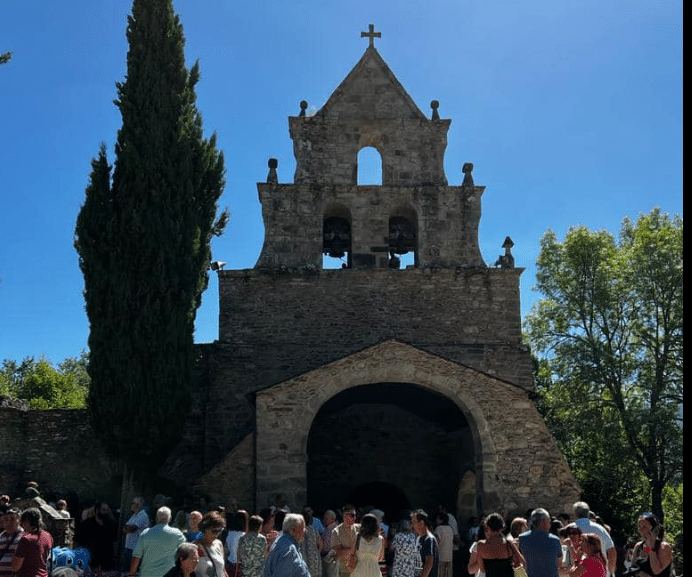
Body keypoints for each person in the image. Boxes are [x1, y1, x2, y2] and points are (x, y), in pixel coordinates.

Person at [130, 506, 185, 577]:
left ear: (156, 519)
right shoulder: (177, 534)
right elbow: (185, 552)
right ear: (170, 519)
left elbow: (136, 557)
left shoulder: (145, 533)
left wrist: (131, 574)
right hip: (169, 574)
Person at [571, 503, 615, 577]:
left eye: (582, 541)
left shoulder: (569, 529)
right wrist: (610, 572)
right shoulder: (600, 529)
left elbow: (572, 574)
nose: (580, 544)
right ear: (588, 513)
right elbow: (612, 551)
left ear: (575, 514)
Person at [476, 513, 525, 577]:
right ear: (501, 528)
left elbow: (482, 569)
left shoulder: (480, 545)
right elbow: (522, 561)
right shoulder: (508, 544)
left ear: (487, 527)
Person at [518, 508, 562, 577]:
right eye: (549, 521)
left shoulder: (522, 538)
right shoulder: (555, 540)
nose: (550, 524)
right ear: (544, 521)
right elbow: (559, 563)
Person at [11, 508, 53, 577]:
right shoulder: (48, 536)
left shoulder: (26, 539)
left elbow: (15, 567)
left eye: (23, 521)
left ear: (27, 521)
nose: (22, 524)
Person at [76, 501, 118, 571]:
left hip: (106, 560)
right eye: (104, 510)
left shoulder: (112, 525)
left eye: (107, 510)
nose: (106, 512)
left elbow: (115, 541)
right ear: (97, 510)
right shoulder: (86, 524)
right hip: (90, 559)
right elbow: (79, 541)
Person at [630, 513, 672, 577]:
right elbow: (632, 569)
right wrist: (639, 573)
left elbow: (656, 570)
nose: (641, 530)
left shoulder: (663, 547)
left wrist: (651, 547)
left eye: (644, 527)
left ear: (654, 528)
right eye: (639, 526)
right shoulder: (638, 546)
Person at [195, 510, 228, 577]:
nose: (217, 534)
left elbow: (222, 570)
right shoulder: (195, 547)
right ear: (205, 528)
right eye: (214, 531)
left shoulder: (218, 544)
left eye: (220, 530)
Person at [122, 496, 150, 573]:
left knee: (132, 572)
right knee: (125, 571)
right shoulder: (134, 515)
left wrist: (127, 528)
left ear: (138, 505)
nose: (131, 505)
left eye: (133, 503)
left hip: (136, 549)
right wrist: (127, 528)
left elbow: (131, 528)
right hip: (129, 547)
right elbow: (125, 528)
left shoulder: (143, 515)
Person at [350, 513, 384, 577]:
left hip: (359, 570)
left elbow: (352, 553)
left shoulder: (357, 537)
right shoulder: (380, 539)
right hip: (374, 571)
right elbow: (381, 558)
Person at [331, 505, 359, 576]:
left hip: (359, 569)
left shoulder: (359, 528)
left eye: (355, 515)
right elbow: (338, 553)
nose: (354, 518)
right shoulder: (336, 531)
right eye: (352, 515)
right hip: (345, 571)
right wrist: (353, 550)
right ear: (344, 516)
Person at [412, 510, 438, 577]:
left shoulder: (429, 539)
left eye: (413, 521)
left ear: (421, 522)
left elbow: (429, 563)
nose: (412, 524)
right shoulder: (419, 538)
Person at [299, 507, 322, 577]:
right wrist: (317, 553)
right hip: (314, 559)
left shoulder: (298, 530)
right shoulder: (314, 529)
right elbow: (320, 543)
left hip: (303, 559)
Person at [0, 507, 23, 577]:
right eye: (6, 519)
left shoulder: (24, 537)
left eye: (12, 519)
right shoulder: (0, 537)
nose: (9, 522)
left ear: (19, 521)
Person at [225, 510, 248, 577]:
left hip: (229, 564)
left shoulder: (230, 534)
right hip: (240, 566)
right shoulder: (244, 536)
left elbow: (226, 550)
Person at [433, 512, 453, 577]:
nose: (436, 520)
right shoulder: (450, 529)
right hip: (449, 557)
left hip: (440, 557)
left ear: (441, 520)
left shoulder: (438, 529)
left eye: (437, 518)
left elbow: (436, 542)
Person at [321, 510, 339, 577]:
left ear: (332, 519)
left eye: (326, 518)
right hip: (325, 558)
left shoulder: (334, 529)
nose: (324, 520)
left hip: (331, 558)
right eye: (324, 518)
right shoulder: (327, 528)